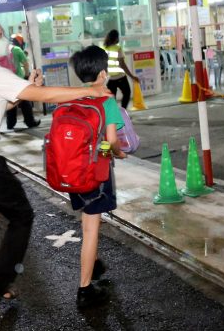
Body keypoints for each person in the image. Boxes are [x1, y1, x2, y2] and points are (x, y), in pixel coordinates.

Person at [0, 18, 111, 306]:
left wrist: (25, 88)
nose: (4, 39)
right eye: (0, 34)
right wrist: (89, 91)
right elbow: (45, 95)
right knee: (21, 216)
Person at [67, 45, 126, 308]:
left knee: (87, 223)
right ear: (103, 73)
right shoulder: (106, 100)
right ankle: (84, 290)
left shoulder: (73, 97)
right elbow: (111, 140)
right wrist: (119, 153)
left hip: (73, 171)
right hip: (95, 173)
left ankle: (94, 264)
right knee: (91, 228)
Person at [4, 34, 41, 132]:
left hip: (7, 80)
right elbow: (25, 63)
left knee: (11, 100)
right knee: (25, 101)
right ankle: (30, 121)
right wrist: (27, 75)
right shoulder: (17, 50)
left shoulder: (4, 49)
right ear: (20, 42)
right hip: (18, 79)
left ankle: (10, 123)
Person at [102, 29, 140, 109]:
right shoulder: (117, 48)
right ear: (116, 38)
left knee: (111, 99)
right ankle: (123, 112)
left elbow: (103, 64)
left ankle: (114, 116)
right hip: (120, 77)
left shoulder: (105, 49)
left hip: (110, 78)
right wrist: (132, 76)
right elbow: (122, 64)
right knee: (127, 93)